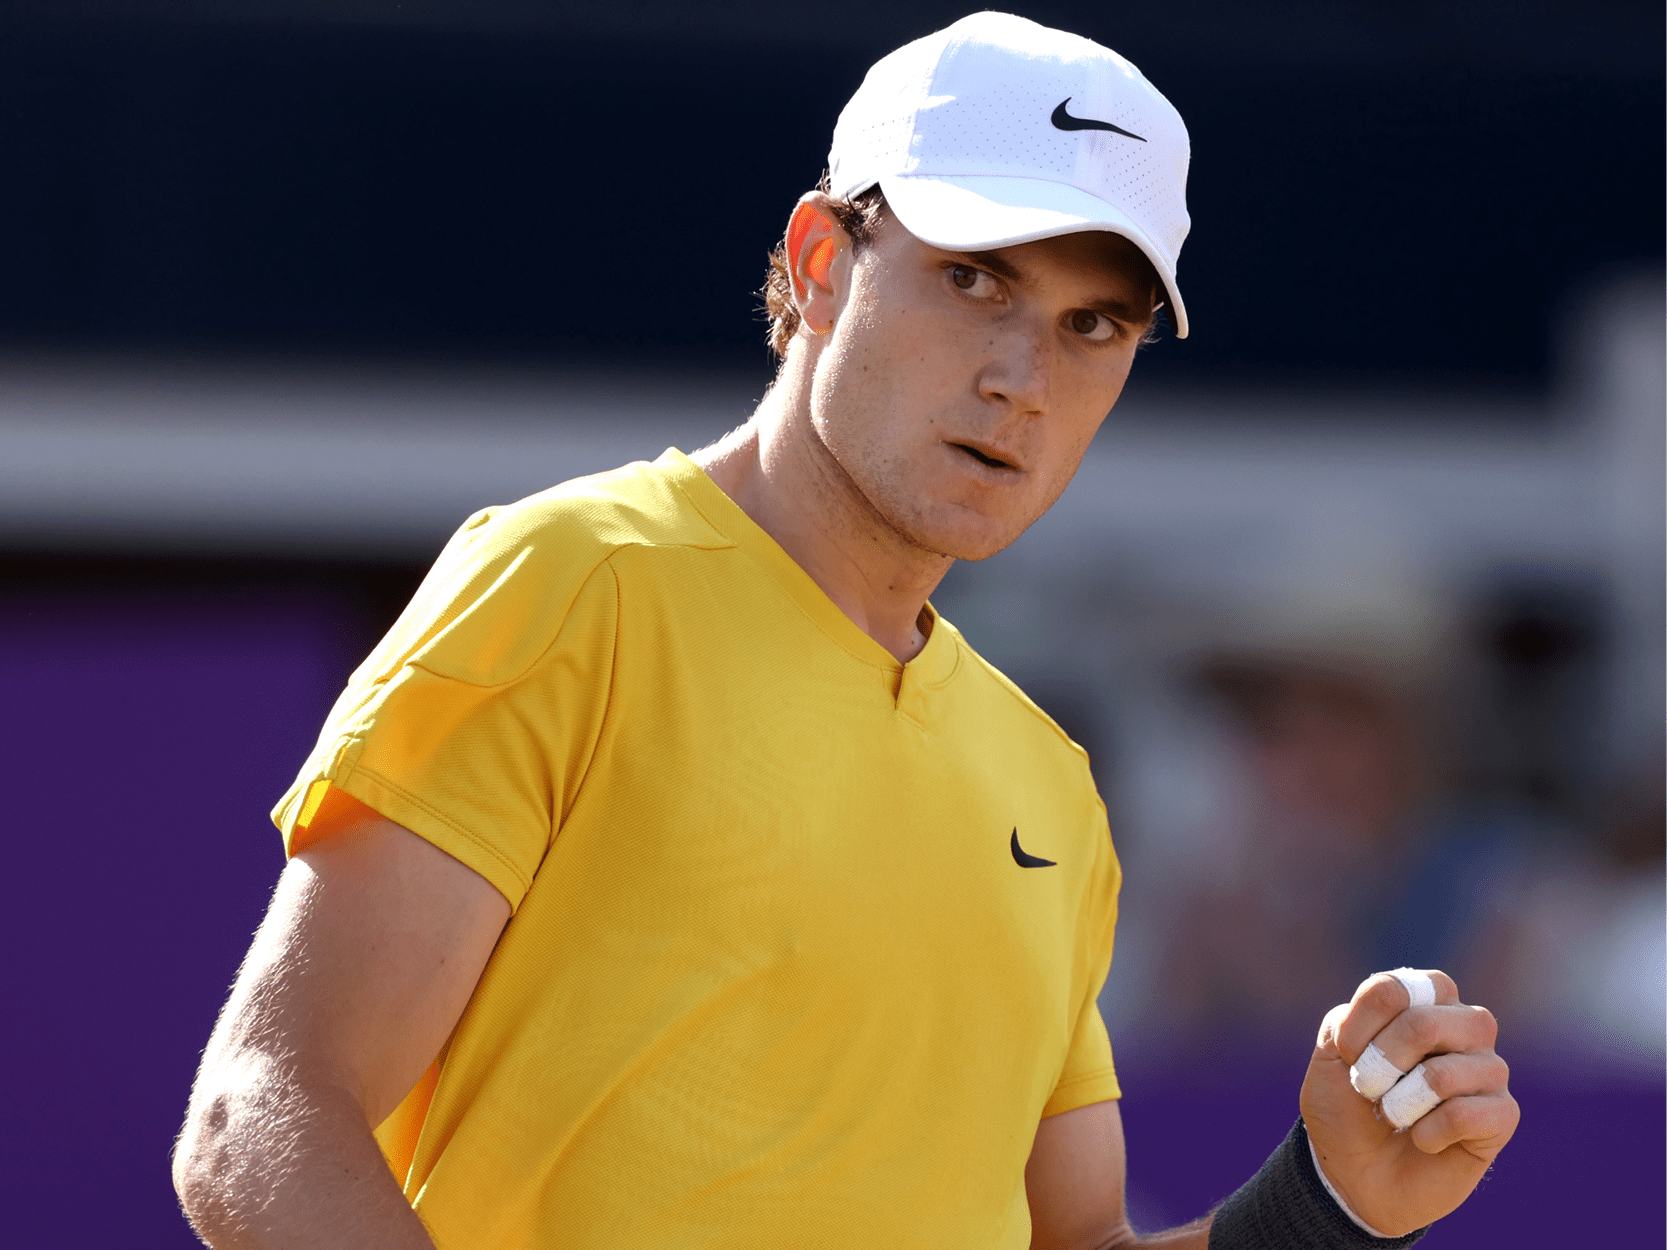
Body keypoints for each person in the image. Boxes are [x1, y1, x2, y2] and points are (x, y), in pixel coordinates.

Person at [173, 13, 1517, 1248]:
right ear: (820, 263)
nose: (1020, 379)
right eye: (973, 280)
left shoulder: (1045, 782)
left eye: (1088, 324)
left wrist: (1328, 1199)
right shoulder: (576, 581)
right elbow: (262, 1109)